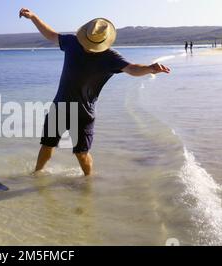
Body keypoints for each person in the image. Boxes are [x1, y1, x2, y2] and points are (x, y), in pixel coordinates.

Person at [19, 8, 170, 176]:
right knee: (47, 145)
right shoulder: (72, 42)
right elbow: (51, 34)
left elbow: (132, 68)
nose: (88, 48)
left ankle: (88, 183)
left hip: (84, 113)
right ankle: (36, 176)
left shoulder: (110, 57)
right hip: (59, 106)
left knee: (81, 153)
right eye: (87, 43)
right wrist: (33, 17)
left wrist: (149, 68)